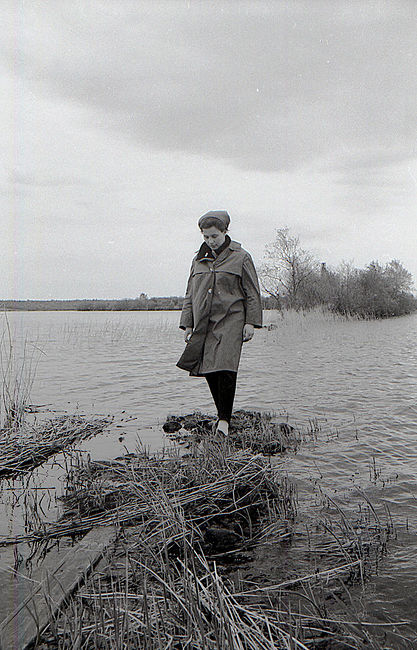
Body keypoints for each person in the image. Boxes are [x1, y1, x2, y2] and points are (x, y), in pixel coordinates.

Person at [177, 210, 262, 436]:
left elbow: (252, 292)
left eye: (214, 236)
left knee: (225, 366)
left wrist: (251, 322)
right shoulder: (198, 260)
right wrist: (188, 324)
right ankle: (222, 413)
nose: (210, 241)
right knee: (209, 368)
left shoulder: (241, 257)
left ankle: (224, 420)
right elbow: (190, 293)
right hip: (205, 320)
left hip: (232, 319)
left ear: (225, 232)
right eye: (205, 237)